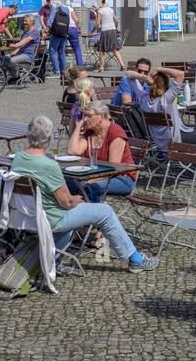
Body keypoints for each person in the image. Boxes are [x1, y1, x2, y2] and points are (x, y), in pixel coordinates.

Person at [12, 115, 157, 272]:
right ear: (49, 138)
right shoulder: (49, 165)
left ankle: (53, 259)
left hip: (24, 215)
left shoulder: (18, 158)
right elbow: (66, 203)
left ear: (28, 135)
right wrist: (76, 200)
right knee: (105, 211)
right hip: (50, 218)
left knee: (81, 201)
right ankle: (135, 259)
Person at [66, 101, 138, 202]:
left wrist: (89, 180)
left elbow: (112, 169)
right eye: (84, 116)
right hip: (94, 176)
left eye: (88, 116)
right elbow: (72, 151)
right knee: (65, 183)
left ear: (102, 116)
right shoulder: (90, 132)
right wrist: (78, 126)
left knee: (90, 188)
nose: (85, 119)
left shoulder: (115, 132)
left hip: (121, 178)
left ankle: (95, 213)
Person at [132, 66, 196, 160]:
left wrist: (142, 77)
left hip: (158, 142)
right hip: (174, 140)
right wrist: (159, 68)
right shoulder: (166, 99)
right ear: (164, 84)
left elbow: (128, 74)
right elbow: (180, 74)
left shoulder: (143, 99)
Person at [91, 0, 124, 71]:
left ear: (99, 2)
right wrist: (114, 27)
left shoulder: (100, 10)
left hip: (105, 31)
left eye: (97, 2)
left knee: (102, 50)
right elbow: (116, 20)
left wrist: (92, 31)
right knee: (115, 49)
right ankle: (122, 65)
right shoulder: (110, 9)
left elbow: (97, 23)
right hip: (112, 30)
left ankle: (101, 67)